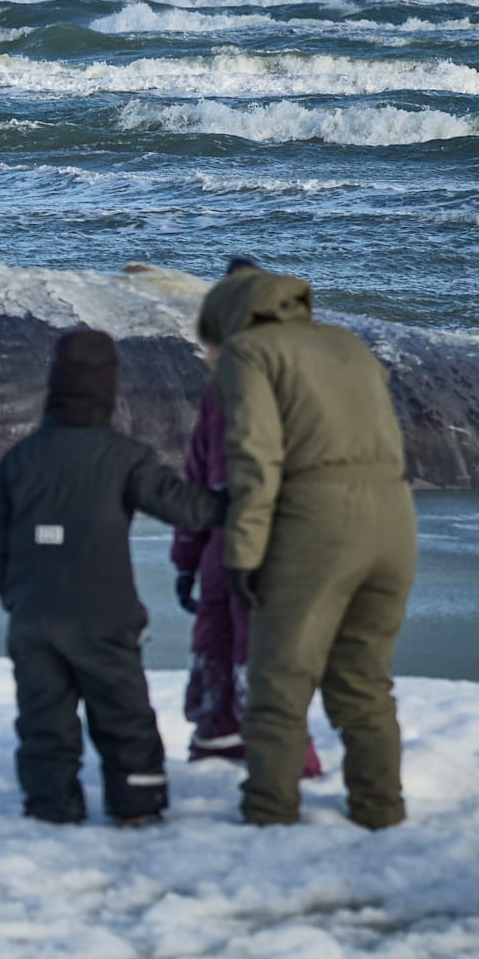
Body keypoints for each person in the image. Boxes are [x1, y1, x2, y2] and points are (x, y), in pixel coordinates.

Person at [0, 328, 226, 826]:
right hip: (103, 615)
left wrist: (13, 595)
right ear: (108, 390)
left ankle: (50, 808)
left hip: (33, 614)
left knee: (44, 719)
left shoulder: (19, 459)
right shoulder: (123, 456)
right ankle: (137, 808)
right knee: (123, 716)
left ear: (55, 385)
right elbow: (189, 510)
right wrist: (240, 495)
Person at [200, 266, 415, 830]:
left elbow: (255, 455)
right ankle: (381, 812)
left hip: (316, 518)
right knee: (365, 682)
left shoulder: (250, 353)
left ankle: (270, 816)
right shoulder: (349, 345)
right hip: (394, 517)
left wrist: (243, 552)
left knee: (280, 680)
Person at [172, 260, 321, 779]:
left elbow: (199, 474)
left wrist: (186, 558)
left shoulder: (230, 377)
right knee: (247, 658)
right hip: (260, 542)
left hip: (238, 542)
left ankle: (272, 766)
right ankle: (239, 756)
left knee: (235, 657)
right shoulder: (307, 371)